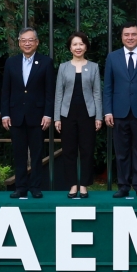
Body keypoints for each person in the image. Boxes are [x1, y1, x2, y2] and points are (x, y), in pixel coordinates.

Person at [103, 23, 137, 199]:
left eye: (133, 34)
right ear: (121, 37)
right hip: (119, 112)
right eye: (126, 35)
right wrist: (107, 111)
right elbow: (108, 87)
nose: (130, 38)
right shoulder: (112, 57)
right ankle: (123, 185)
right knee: (121, 151)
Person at [1, 27, 55, 199]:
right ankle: (20, 187)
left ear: (37, 42)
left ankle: (36, 187)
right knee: (19, 153)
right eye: (23, 40)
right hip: (15, 115)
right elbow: (5, 90)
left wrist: (48, 114)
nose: (27, 43)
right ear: (19, 43)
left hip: (38, 116)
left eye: (30, 40)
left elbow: (50, 92)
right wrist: (5, 114)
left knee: (37, 153)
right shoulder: (11, 62)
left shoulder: (46, 62)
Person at [54, 32, 102, 199]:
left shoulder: (94, 67)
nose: (78, 47)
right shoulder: (63, 67)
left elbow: (97, 93)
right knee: (69, 151)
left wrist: (99, 117)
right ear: (70, 48)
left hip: (88, 114)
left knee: (87, 150)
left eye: (81, 44)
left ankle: (84, 185)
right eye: (75, 44)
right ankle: (72, 185)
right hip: (67, 114)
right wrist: (57, 118)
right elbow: (58, 94)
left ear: (86, 46)